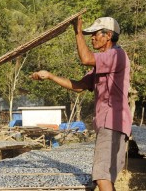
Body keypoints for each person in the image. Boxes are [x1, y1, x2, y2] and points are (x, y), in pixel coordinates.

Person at [31, 16, 132, 191]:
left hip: (112, 123)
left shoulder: (117, 55)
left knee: (101, 177)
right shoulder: (103, 63)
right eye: (89, 34)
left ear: (108, 35)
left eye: (94, 34)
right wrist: (50, 76)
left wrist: (77, 31)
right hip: (109, 125)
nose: (91, 38)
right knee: (105, 177)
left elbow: (85, 58)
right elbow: (79, 86)